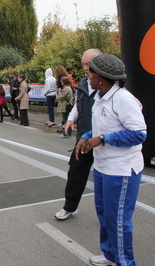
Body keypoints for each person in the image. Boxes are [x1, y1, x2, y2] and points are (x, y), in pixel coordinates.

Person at [75, 53, 146, 266]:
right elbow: (101, 128)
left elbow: (139, 134)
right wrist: (86, 137)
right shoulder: (100, 96)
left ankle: (125, 262)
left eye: (92, 72)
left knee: (118, 222)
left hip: (121, 170)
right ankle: (110, 255)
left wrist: (103, 139)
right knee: (105, 215)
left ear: (103, 77)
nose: (88, 75)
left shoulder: (124, 99)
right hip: (103, 167)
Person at [55, 48, 102, 220]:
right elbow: (77, 105)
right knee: (75, 172)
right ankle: (70, 207)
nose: (85, 68)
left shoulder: (109, 84)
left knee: (104, 177)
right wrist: (70, 119)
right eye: (83, 65)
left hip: (103, 139)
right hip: (84, 137)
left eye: (88, 65)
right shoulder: (83, 84)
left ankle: (107, 214)